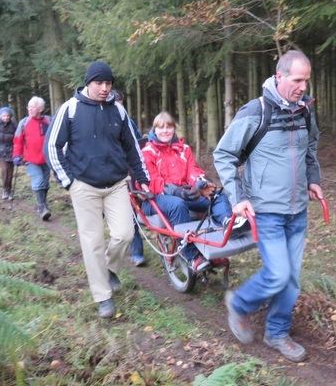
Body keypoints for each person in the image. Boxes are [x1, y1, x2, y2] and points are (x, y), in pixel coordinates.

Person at [213, 50, 324, 362]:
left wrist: (313, 178)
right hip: (266, 211)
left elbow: (310, 147)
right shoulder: (256, 111)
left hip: (297, 210)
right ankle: (239, 303)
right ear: (280, 76)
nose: (303, 86)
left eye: (306, 80)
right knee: (277, 273)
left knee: (291, 278)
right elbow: (223, 154)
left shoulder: (305, 110)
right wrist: (238, 198)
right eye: (297, 80)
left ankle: (277, 332)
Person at [44, 61, 151, 319]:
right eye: (99, 83)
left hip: (116, 184)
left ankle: (110, 267)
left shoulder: (118, 112)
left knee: (125, 234)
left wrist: (142, 176)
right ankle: (103, 297)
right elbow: (51, 147)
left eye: (108, 83)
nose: (104, 88)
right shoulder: (70, 110)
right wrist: (69, 182)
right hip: (85, 186)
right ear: (88, 83)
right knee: (92, 242)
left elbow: (131, 148)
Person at [141, 111, 247, 273]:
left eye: (168, 127)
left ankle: (227, 224)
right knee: (177, 204)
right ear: (154, 130)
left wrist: (200, 182)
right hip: (156, 198)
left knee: (216, 195)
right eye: (160, 128)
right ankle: (191, 255)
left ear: (174, 129)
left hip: (184, 192)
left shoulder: (184, 149)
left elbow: (193, 170)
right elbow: (151, 181)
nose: (165, 131)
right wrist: (176, 191)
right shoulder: (148, 152)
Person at [114, 89, 146, 267]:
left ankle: (136, 250)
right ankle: (135, 250)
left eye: (119, 106)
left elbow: (140, 144)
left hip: (132, 173)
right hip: (113, 175)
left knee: (135, 209)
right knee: (127, 213)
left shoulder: (130, 122)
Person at [13, 97, 52, 220]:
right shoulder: (24, 123)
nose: (29, 109)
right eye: (28, 107)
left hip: (46, 159)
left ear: (41, 109)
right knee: (38, 181)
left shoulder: (49, 121)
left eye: (33, 107)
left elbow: (55, 139)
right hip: (30, 159)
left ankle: (43, 204)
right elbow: (17, 141)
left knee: (45, 184)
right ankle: (42, 207)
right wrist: (15, 156)